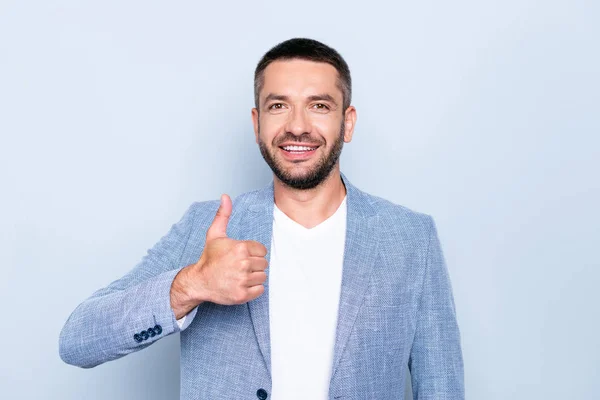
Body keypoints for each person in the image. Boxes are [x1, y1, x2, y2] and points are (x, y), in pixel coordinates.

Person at [59, 37, 464, 400]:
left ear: (348, 122)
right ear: (257, 124)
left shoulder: (411, 238)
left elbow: (442, 387)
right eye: (278, 106)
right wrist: (193, 283)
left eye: (319, 106)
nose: (298, 127)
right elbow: (78, 340)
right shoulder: (208, 227)